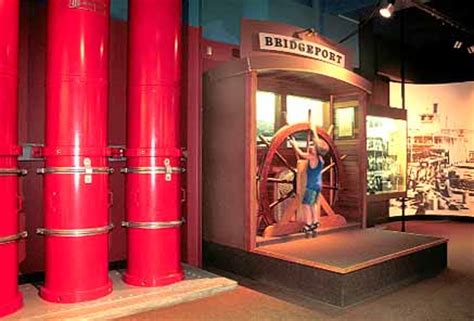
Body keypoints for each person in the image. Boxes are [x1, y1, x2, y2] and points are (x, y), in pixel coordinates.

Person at [289, 125, 324, 237]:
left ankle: (308, 224)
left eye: (313, 146)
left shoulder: (312, 158)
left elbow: (300, 154)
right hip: (318, 185)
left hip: (311, 185)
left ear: (316, 150)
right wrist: (314, 132)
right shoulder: (321, 159)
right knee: (313, 204)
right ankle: (315, 221)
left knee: (306, 205)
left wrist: (294, 145)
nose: (310, 147)